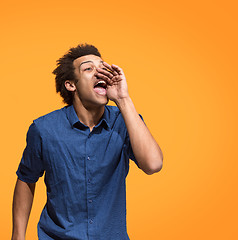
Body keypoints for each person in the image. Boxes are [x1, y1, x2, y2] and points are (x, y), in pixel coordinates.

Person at [11, 43, 163, 240]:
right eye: (89, 68)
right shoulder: (44, 129)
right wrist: (18, 236)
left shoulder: (126, 121)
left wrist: (123, 99)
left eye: (102, 67)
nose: (99, 73)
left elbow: (153, 164)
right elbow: (26, 178)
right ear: (71, 84)